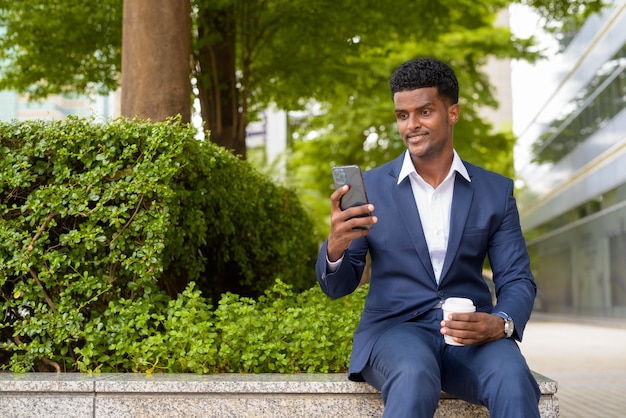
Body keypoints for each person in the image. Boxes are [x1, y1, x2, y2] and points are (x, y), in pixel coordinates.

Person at [315, 57, 541, 417]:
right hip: (395, 332)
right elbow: (337, 286)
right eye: (402, 115)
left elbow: (516, 279)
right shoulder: (369, 189)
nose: (411, 125)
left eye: (424, 112)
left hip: (469, 335)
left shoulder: (494, 192)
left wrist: (501, 322)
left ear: (453, 113)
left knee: (513, 378)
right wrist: (336, 248)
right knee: (415, 374)